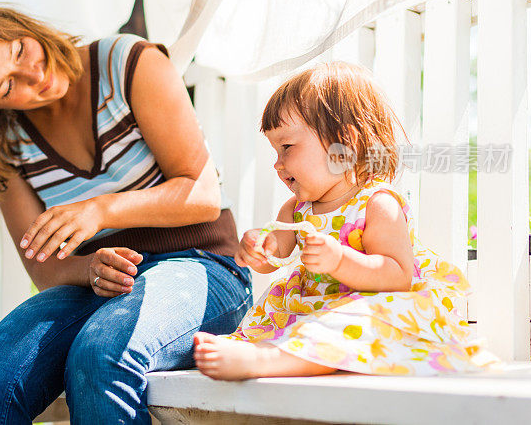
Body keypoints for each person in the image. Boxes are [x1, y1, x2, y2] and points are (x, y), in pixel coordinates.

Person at [0, 4, 252, 423]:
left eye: (20, 51)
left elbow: (201, 193)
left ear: (22, 27)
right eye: (6, 88)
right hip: (99, 289)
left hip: (203, 265)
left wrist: (100, 210)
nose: (33, 75)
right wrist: (89, 268)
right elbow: (45, 269)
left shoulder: (128, 62)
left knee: (101, 352)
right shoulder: (3, 143)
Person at [193, 61, 500, 379]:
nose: (277, 163)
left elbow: (397, 276)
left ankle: (268, 361)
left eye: (286, 147)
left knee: (354, 320)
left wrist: (339, 260)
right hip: (322, 310)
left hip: (375, 311)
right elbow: (275, 257)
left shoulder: (377, 204)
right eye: (275, 151)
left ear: (344, 143)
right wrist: (258, 248)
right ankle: (273, 351)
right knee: (308, 319)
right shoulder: (296, 210)